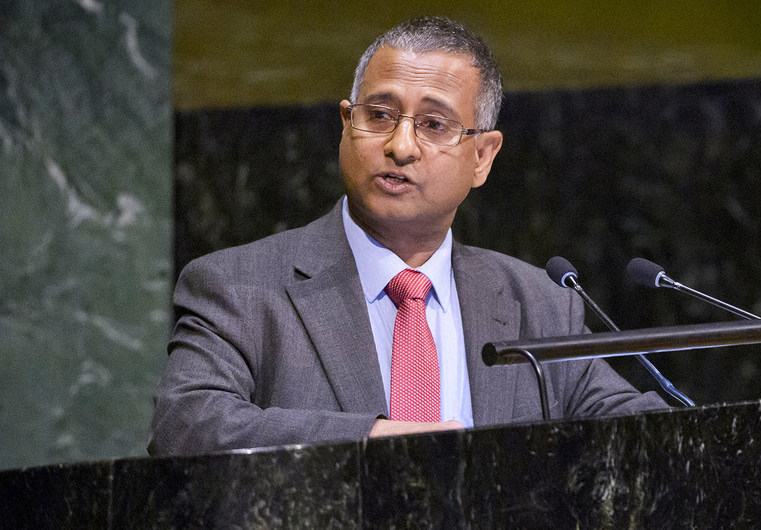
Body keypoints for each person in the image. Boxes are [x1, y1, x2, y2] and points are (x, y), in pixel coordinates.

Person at [149, 16, 666, 457]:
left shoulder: (538, 303)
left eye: (434, 125)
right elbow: (187, 424)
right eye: (379, 115)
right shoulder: (238, 287)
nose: (400, 146)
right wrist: (375, 441)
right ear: (346, 124)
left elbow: (631, 427)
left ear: (482, 157)